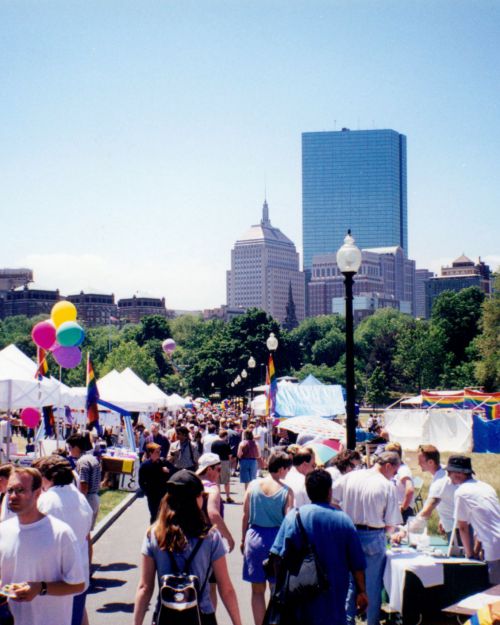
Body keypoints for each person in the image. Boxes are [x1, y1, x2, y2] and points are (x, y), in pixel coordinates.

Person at [133, 470, 243, 625]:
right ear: (195, 499)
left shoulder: (154, 534)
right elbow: (226, 589)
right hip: (201, 614)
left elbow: (145, 587)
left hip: (166, 614)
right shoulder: (210, 536)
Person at [270, 468, 368, 625]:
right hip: (333, 604)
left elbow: (277, 556)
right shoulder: (344, 521)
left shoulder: (294, 518)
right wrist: (362, 592)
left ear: (308, 492)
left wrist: (281, 588)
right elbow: (357, 564)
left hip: (300, 599)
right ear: (329, 492)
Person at [0, 467, 85, 625]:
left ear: (37, 493)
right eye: (10, 490)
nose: (13, 496)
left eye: (20, 490)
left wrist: (40, 588)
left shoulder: (61, 533)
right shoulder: (3, 530)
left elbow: (78, 585)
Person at [332, 451, 403, 625]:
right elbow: (391, 523)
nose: (394, 475)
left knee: (350, 584)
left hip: (349, 532)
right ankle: (372, 621)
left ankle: (347, 621)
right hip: (373, 534)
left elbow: (331, 498)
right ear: (388, 466)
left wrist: (342, 515)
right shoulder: (387, 486)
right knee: (372, 584)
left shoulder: (351, 477)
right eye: (394, 471)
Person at [35, 455, 93, 625]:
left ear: (50, 477)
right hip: (79, 573)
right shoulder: (80, 498)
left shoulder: (45, 501)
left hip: (54, 579)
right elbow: (86, 536)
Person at [241, 451, 294, 625]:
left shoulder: (253, 485)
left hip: (254, 537)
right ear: (281, 469)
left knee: (257, 590)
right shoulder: (287, 491)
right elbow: (289, 520)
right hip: (276, 540)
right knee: (276, 588)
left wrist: (243, 539)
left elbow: (245, 514)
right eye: (287, 468)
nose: (288, 472)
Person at [446, 454, 500, 584]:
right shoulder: (486, 487)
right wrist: (476, 549)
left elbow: (463, 527)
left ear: (459, 474)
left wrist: (470, 555)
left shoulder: (461, 493)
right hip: (494, 540)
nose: (448, 476)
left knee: (495, 592)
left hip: (494, 547)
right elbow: (482, 521)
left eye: (449, 473)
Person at [197, 453, 236, 610]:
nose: (220, 473)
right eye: (218, 469)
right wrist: (229, 537)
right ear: (210, 469)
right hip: (208, 540)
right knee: (212, 586)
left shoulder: (193, 483)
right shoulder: (212, 488)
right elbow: (213, 513)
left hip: (188, 538)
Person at [416, 444, 457, 538]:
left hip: (457, 528)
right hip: (456, 524)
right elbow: (449, 496)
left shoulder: (439, 482)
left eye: (420, 461)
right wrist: (442, 519)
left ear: (430, 462)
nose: (418, 464)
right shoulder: (444, 471)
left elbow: (426, 512)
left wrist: (406, 531)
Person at [67, 433, 101, 529]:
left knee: (80, 532)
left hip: (87, 500)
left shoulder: (82, 462)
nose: (69, 451)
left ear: (76, 447)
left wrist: (79, 504)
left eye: (70, 448)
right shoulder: (92, 458)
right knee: (86, 535)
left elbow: (84, 484)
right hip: (94, 498)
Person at [138, 443, 173, 523]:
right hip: (152, 496)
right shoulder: (145, 466)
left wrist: (169, 471)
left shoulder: (163, 462)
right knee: (154, 515)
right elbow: (141, 482)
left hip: (164, 494)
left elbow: (174, 472)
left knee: (165, 516)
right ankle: (153, 533)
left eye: (159, 451)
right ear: (151, 453)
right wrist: (147, 492)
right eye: (157, 452)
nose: (159, 453)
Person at [385, 442, 415, 522]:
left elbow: (410, 490)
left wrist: (402, 508)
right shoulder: (395, 469)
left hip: (403, 512)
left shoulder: (403, 470)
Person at [210, 430, 234, 503]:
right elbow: (230, 456)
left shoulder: (214, 443)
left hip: (216, 462)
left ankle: (219, 497)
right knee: (226, 481)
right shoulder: (226, 444)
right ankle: (228, 496)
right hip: (224, 462)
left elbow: (212, 454)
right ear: (225, 436)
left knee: (217, 481)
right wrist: (230, 463)